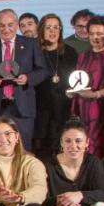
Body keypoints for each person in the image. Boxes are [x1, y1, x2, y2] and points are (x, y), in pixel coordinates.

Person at [0, 9, 49, 150]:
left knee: (24, 150)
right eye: (2, 25)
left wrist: (28, 78)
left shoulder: (31, 44)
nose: (6, 29)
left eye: (10, 25)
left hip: (23, 108)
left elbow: (43, 71)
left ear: (16, 25)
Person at [69, 15, 104, 156]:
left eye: (100, 34)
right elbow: (78, 79)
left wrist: (96, 94)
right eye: (92, 34)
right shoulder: (83, 56)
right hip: (84, 108)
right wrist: (73, 92)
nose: (95, 37)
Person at [33, 14, 78, 157]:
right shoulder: (34, 53)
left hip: (63, 110)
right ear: (41, 30)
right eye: (48, 27)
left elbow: (77, 79)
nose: (52, 31)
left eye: (56, 27)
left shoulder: (70, 52)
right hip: (40, 112)